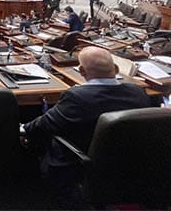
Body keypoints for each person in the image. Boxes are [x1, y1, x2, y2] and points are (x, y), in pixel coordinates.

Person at [23, 46, 150, 198]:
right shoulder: (138, 92)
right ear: (116, 69)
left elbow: (44, 125)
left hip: (80, 166)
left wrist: (24, 128)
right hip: (129, 166)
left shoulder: (78, 97)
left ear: (82, 71)